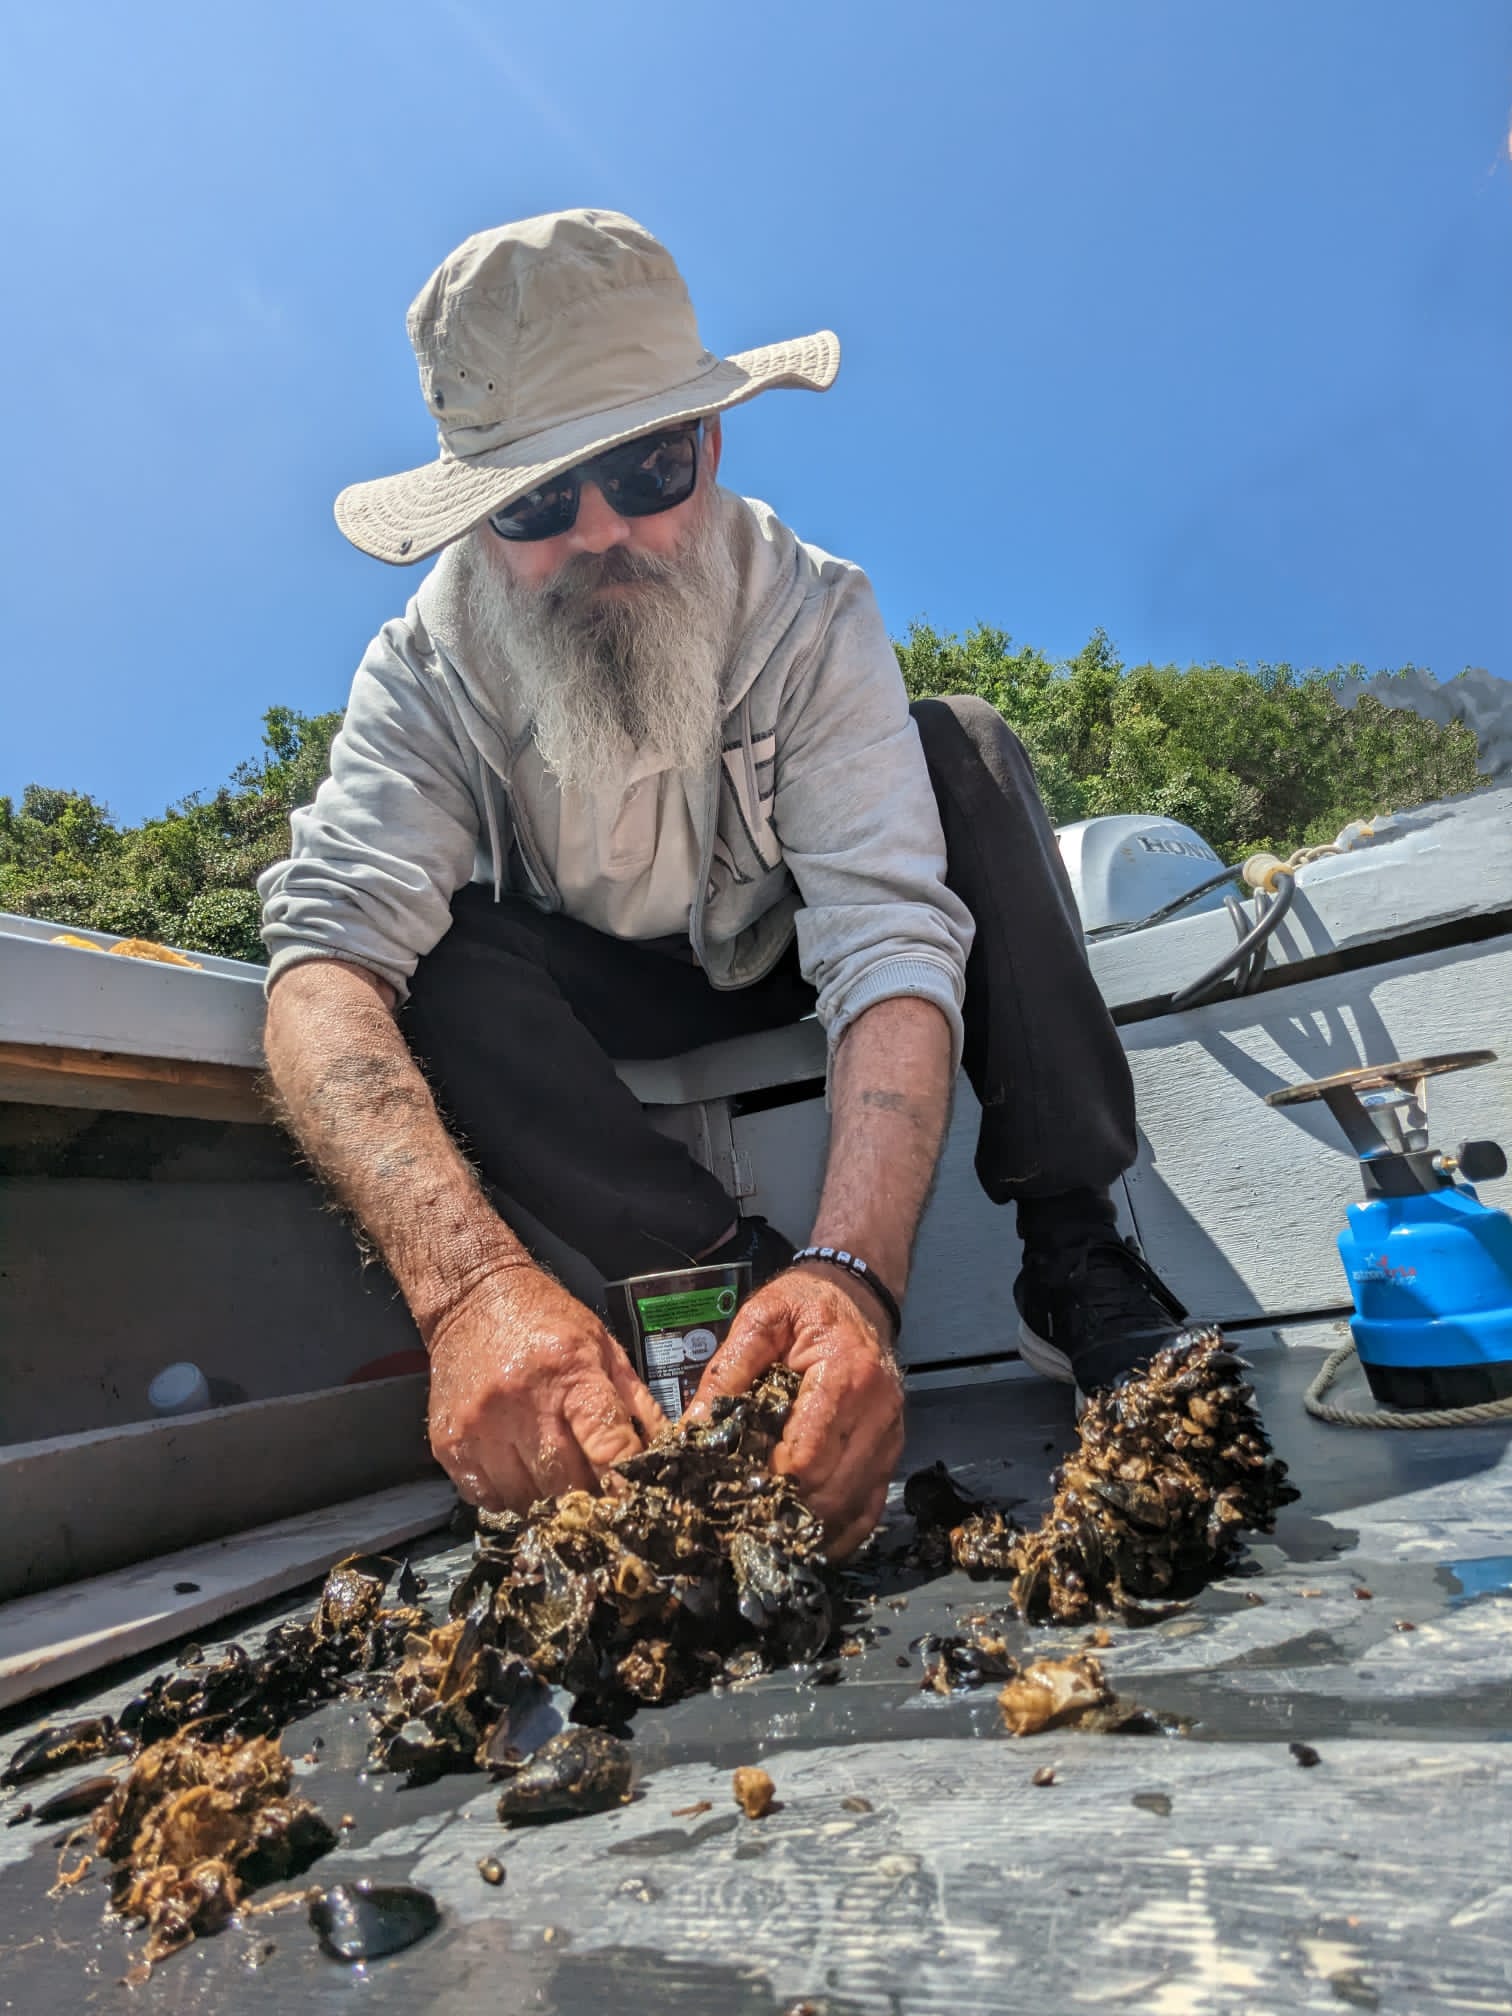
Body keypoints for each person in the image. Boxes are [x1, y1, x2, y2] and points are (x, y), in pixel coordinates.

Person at [259, 208, 1186, 1558]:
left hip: (783, 937)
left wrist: (858, 1267)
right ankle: (721, 1277)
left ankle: (1074, 1242)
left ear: (712, 441)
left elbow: (884, 927)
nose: (599, 535)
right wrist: (468, 1293)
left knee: (963, 747)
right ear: (477, 519)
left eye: (646, 467)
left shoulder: (810, 610)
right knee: (428, 952)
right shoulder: (425, 675)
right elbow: (321, 966)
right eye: (532, 499)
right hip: (600, 987)